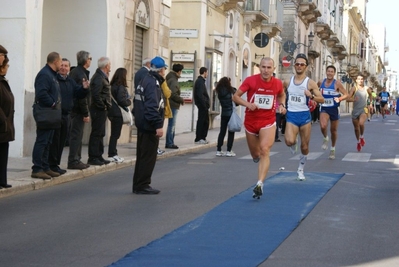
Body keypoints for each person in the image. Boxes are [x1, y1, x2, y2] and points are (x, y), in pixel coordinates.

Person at [232, 57, 286, 199]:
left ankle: (259, 184)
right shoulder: (251, 80)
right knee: (256, 154)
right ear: (259, 67)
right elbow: (236, 97)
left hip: (268, 121)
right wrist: (248, 104)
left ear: (273, 69)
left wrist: (282, 105)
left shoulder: (278, 83)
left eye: (269, 67)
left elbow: (281, 94)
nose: (266, 70)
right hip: (251, 121)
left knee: (264, 150)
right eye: (263, 67)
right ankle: (257, 158)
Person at [283, 54, 324, 181]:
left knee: (305, 146)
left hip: (305, 116)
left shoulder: (310, 83)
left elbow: (321, 99)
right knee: (289, 141)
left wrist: (311, 96)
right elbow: (281, 94)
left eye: (302, 64)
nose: (299, 66)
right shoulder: (287, 81)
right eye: (297, 64)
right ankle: (294, 143)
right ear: (294, 65)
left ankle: (301, 169)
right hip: (291, 115)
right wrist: (282, 105)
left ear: (306, 67)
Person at [132, 56, 166, 194]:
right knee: (148, 157)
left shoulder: (144, 80)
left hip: (142, 123)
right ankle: (143, 185)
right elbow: (152, 107)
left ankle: (138, 184)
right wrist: (158, 125)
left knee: (142, 156)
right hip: (149, 125)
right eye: (164, 69)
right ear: (161, 70)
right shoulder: (153, 84)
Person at [48, 58, 89, 174]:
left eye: (66, 66)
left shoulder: (70, 81)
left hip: (66, 115)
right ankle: (51, 164)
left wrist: (85, 88)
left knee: (62, 141)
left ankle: (56, 164)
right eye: (61, 65)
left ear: (69, 68)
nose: (63, 68)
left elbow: (79, 93)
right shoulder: (54, 79)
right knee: (54, 141)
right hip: (55, 114)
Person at [31, 52, 64, 180]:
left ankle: (45, 167)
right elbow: (41, 93)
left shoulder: (52, 75)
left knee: (49, 141)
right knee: (42, 140)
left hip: (51, 113)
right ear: (55, 61)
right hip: (45, 112)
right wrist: (53, 103)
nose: (61, 65)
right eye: (60, 62)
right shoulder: (45, 75)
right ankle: (37, 168)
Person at [68, 51, 92, 170]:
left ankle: (76, 159)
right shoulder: (79, 74)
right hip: (77, 110)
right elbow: (81, 96)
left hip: (76, 109)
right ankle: (73, 160)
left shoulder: (79, 72)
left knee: (78, 135)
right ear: (86, 60)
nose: (90, 60)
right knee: (76, 135)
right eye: (90, 58)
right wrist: (85, 113)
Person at [318, 65, 348, 160]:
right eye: (328, 71)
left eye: (332, 71)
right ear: (326, 72)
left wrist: (339, 98)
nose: (330, 73)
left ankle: (333, 148)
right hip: (324, 108)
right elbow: (313, 89)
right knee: (323, 126)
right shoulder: (320, 82)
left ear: (334, 73)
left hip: (334, 109)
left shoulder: (337, 84)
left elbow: (346, 94)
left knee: (333, 131)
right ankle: (326, 137)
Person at [87, 57, 112, 166]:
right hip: (98, 110)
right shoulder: (98, 77)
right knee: (96, 133)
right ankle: (93, 157)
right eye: (110, 65)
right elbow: (96, 95)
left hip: (102, 110)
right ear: (106, 66)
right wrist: (103, 106)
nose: (110, 67)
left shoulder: (103, 77)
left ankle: (99, 155)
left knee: (101, 133)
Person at [107, 68, 132, 163]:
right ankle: (112, 153)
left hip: (112, 112)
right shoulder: (120, 86)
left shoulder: (112, 85)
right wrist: (129, 102)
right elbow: (122, 100)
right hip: (118, 113)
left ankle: (112, 152)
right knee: (115, 135)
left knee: (113, 134)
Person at [346, 74, 373, 152]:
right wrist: (353, 100)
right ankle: (358, 142)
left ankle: (362, 137)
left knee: (361, 123)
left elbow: (371, 95)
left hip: (363, 109)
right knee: (356, 128)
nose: (360, 80)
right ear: (356, 80)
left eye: (362, 79)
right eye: (359, 79)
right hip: (355, 111)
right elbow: (348, 99)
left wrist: (370, 103)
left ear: (363, 80)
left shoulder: (366, 88)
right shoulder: (354, 88)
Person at [0, 51, 14, 189]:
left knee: (3, 152)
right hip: (2, 123)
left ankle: (2, 180)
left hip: (5, 124)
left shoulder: (3, 81)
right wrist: (3, 120)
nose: (7, 67)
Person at [165, 63, 185, 149]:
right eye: (181, 71)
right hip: (173, 104)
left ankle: (170, 142)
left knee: (171, 124)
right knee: (172, 125)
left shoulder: (170, 78)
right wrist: (181, 100)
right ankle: (170, 142)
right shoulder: (173, 80)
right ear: (179, 71)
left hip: (171, 103)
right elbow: (173, 94)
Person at [215, 77, 236, 157]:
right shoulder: (231, 91)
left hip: (223, 113)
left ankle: (219, 149)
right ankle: (229, 150)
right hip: (230, 114)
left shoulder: (219, 92)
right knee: (231, 132)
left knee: (222, 132)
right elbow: (236, 101)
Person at [194, 67, 210, 144]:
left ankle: (202, 137)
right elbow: (200, 95)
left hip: (203, 105)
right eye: (207, 72)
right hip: (202, 105)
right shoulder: (200, 82)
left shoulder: (201, 81)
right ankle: (199, 138)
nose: (207, 74)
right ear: (204, 72)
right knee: (202, 121)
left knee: (205, 121)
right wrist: (204, 104)